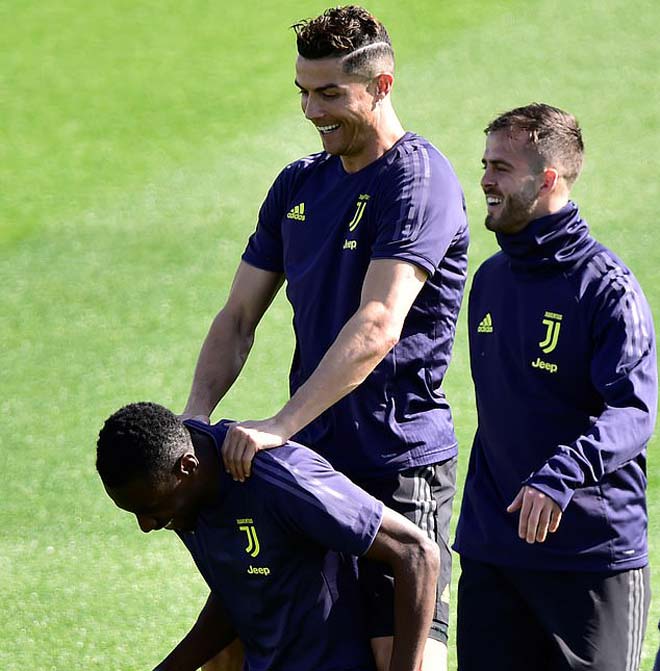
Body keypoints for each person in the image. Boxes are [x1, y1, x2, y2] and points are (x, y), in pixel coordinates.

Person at [182, 6, 468, 670]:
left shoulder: (418, 181)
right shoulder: (298, 184)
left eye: (331, 94)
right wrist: (195, 414)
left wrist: (280, 424)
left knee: (399, 657)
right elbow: (237, 318)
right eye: (304, 92)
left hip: (394, 461)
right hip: (311, 469)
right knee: (260, 643)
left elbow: (378, 323)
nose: (312, 111)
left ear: (381, 85)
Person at [454, 103, 657, 671]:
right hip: (495, 550)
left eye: (501, 167)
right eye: (485, 164)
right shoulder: (490, 280)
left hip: (589, 557)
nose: (485, 180)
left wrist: (560, 474)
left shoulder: (607, 289)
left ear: (547, 180)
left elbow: (634, 410)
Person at [96, 401, 440, 671]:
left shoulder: (280, 480)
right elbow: (239, 590)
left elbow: (417, 552)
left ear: (187, 467)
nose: (146, 525)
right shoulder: (181, 498)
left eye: (151, 508)